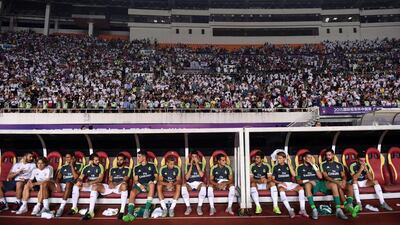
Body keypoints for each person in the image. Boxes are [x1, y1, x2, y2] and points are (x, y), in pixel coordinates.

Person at [296, 152, 348, 220]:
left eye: (311, 157)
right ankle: (314, 209)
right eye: (308, 157)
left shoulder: (315, 166)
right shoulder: (299, 168)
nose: (310, 159)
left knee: (334, 185)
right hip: (309, 184)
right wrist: (308, 180)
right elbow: (298, 181)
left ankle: (338, 209)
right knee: (307, 185)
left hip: (319, 183)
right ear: (304, 158)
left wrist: (313, 164)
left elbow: (320, 177)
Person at [83, 153, 130, 220]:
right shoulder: (112, 169)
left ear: (124, 161)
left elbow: (125, 179)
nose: (119, 161)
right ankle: (90, 212)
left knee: (124, 185)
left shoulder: (127, 169)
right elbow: (110, 180)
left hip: (119, 187)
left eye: (121, 160)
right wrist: (110, 183)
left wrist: (115, 184)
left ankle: (122, 211)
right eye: (118, 159)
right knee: (95, 186)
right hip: (110, 186)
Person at [321, 149, 360, 218]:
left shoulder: (339, 165)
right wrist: (337, 182)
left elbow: (343, 175)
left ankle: (349, 204)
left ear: (333, 155)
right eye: (327, 155)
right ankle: (345, 204)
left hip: (340, 181)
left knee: (350, 186)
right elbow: (326, 177)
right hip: (330, 182)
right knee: (337, 186)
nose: (328, 157)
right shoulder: (323, 164)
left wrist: (344, 181)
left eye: (329, 155)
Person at [123, 150, 157, 222]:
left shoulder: (152, 165)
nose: (137, 158)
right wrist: (140, 185)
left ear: (144, 157)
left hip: (149, 184)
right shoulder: (136, 167)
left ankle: (147, 210)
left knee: (151, 185)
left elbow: (156, 177)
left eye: (139, 156)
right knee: (132, 192)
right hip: (140, 185)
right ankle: (130, 213)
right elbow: (135, 180)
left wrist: (153, 181)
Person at [68, 153, 104, 220]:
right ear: (91, 161)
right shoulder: (86, 167)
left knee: (94, 188)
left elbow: (100, 179)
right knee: (75, 186)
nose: (98, 161)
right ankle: (74, 208)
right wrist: (79, 181)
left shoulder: (100, 166)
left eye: (98, 160)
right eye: (96, 160)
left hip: (96, 185)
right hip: (88, 185)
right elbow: (81, 177)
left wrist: (90, 183)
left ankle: (91, 212)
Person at [272, 152, 308, 218]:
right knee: (281, 190)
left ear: (284, 159)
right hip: (281, 184)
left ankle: (302, 209)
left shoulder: (288, 166)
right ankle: (290, 210)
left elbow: (294, 175)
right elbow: (273, 179)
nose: (278, 160)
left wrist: (289, 164)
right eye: (277, 158)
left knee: (301, 189)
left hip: (290, 183)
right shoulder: (276, 167)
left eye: (280, 158)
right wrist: (279, 182)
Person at [55, 152, 83, 217]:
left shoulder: (80, 165)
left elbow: (76, 177)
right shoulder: (63, 167)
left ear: (73, 158)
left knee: (68, 183)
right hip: (63, 184)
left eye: (68, 157)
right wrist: (57, 184)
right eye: (66, 157)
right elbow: (58, 178)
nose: (66, 159)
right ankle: (44, 207)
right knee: (46, 184)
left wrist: (71, 166)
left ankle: (61, 208)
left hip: (72, 184)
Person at [181, 150, 207, 216]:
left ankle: (199, 207)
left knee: (204, 185)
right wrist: (191, 166)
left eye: (195, 157)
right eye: (192, 157)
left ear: (198, 157)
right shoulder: (188, 165)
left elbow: (201, 175)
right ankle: (188, 207)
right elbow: (186, 178)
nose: (194, 158)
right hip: (190, 184)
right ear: (190, 158)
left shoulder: (201, 164)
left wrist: (197, 164)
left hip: (199, 183)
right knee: (183, 186)